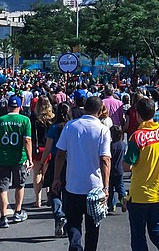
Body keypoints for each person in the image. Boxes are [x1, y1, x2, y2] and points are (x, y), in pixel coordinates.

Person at [53, 95, 111, 251]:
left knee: (73, 223)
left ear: (85, 108)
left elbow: (60, 154)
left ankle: (75, 246)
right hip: (94, 187)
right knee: (93, 226)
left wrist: (56, 177)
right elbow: (105, 159)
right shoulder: (103, 130)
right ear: (100, 111)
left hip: (73, 185)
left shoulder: (70, 126)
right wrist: (106, 186)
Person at [124, 96, 159, 251]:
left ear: (137, 114)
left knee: (138, 235)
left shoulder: (137, 137)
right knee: (157, 231)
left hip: (139, 194)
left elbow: (126, 166)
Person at [0, 95, 33, 228]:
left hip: (2, 158)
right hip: (19, 158)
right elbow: (27, 140)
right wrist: (30, 158)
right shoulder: (25, 120)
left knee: (2, 188)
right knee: (19, 185)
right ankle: (18, 211)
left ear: (8, 107)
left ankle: (3, 217)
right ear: (20, 107)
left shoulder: (0, 120)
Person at [42, 102, 72, 237]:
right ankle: (66, 221)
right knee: (67, 192)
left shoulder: (53, 128)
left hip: (55, 160)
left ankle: (59, 215)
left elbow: (48, 147)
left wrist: (42, 162)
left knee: (54, 192)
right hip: (70, 161)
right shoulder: (71, 127)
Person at [31, 95, 54, 207]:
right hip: (49, 147)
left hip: (37, 148)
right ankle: (49, 196)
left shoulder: (34, 118)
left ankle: (38, 199)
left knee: (37, 173)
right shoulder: (52, 118)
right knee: (47, 173)